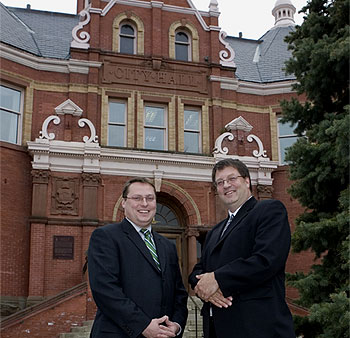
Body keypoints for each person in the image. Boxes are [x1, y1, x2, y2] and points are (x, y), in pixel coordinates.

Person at [189, 158, 295, 338]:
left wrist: (218, 279)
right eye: (220, 182)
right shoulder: (216, 230)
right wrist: (205, 289)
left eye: (232, 179)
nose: (226, 185)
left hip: (257, 328)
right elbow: (199, 270)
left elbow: (266, 260)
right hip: (216, 329)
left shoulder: (269, 210)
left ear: (247, 181)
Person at [88, 177, 188, 338]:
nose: (144, 203)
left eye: (150, 198)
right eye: (137, 198)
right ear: (123, 203)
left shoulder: (167, 246)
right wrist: (143, 325)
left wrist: (176, 325)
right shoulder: (106, 237)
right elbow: (105, 290)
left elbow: (179, 294)